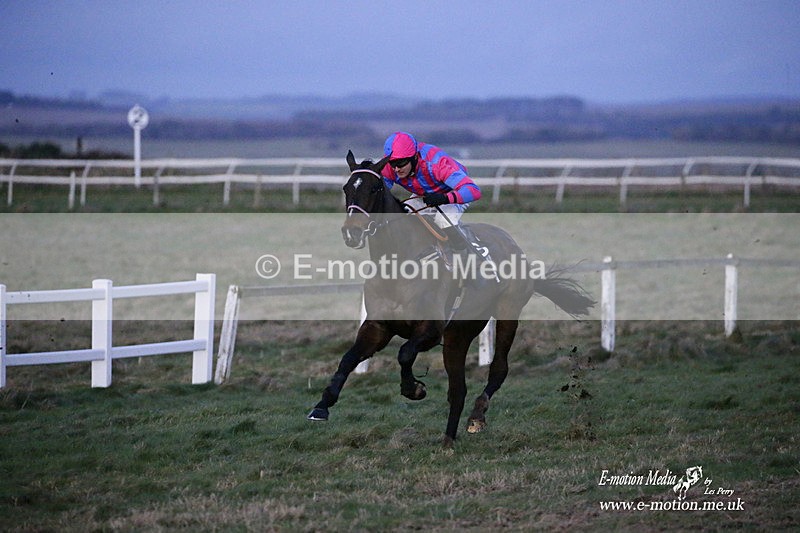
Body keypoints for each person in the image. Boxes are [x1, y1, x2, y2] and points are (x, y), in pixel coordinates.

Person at [380, 131, 497, 280]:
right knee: (401, 218)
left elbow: (474, 191)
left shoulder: (437, 164)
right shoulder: (392, 166)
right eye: (392, 164)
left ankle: (472, 255)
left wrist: (444, 198)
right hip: (425, 195)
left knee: (443, 221)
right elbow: (381, 190)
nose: (396, 169)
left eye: (401, 164)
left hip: (453, 192)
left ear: (414, 157)